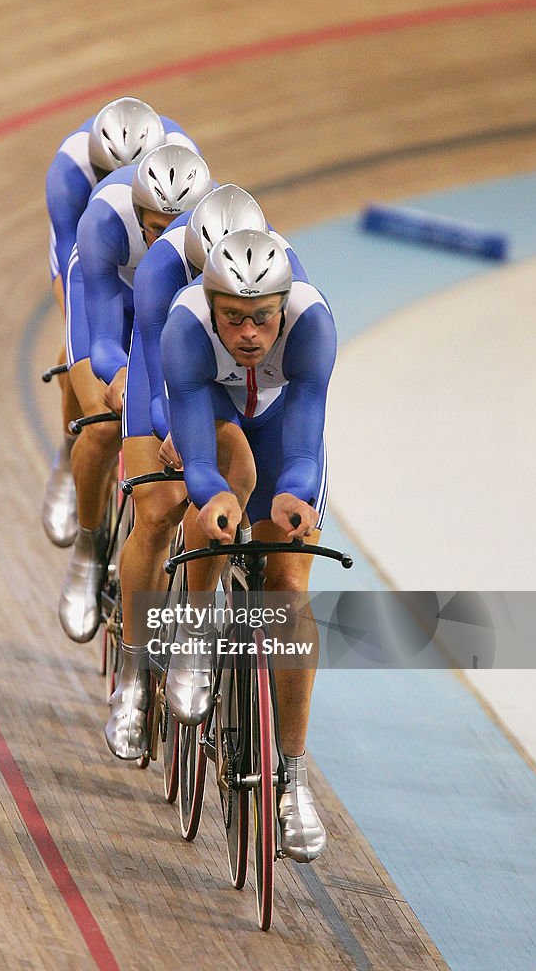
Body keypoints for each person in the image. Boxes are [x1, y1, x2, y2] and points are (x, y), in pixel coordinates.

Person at [105, 185, 309, 760]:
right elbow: (157, 370)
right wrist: (172, 431)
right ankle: (134, 676)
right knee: (159, 507)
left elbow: (300, 395)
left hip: (253, 393)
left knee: (284, 563)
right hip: (178, 380)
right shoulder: (164, 276)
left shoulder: (292, 289)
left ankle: (290, 771)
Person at [160, 229, 336, 862]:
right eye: (233, 318)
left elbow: (307, 432)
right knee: (216, 512)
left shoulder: (312, 322)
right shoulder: (183, 326)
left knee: (288, 587)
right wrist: (211, 497)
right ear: (210, 306)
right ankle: (197, 636)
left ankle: (293, 778)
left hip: (283, 428)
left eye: (263, 317)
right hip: (218, 420)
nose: (251, 334)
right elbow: (198, 453)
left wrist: (293, 491)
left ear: (283, 306)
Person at [59, 144, 212, 644]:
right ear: (137, 211)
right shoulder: (104, 219)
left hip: (167, 308)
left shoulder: (209, 236)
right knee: (104, 423)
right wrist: (119, 373)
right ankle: (88, 547)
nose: (166, 233)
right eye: (155, 223)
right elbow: (104, 337)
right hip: (109, 299)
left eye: (177, 220)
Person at [42, 97, 198, 548]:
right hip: (95, 272)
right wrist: (83, 358)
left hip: (159, 287)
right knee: (103, 418)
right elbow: (76, 279)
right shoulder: (72, 174)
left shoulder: (182, 167)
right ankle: (73, 470)